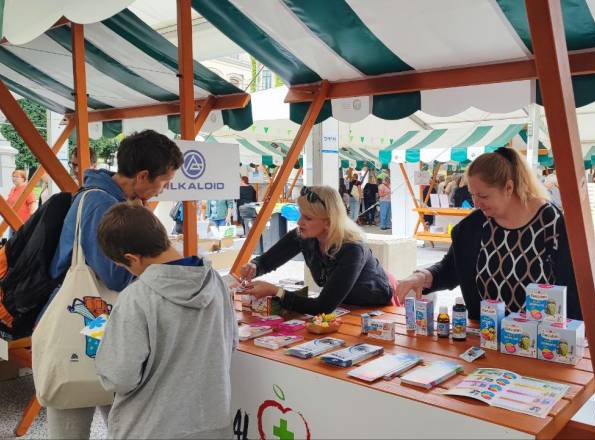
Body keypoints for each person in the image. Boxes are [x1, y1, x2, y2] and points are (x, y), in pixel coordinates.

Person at [47, 130, 182, 439]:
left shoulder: (107, 198)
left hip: (98, 326)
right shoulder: (103, 205)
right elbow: (117, 275)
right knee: (78, 428)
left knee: (125, 425)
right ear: (143, 175)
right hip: (88, 325)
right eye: (165, 181)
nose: (164, 189)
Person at [95, 202, 236, 439]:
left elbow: (119, 378)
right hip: (211, 423)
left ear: (132, 258)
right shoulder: (215, 282)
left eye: (123, 266)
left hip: (150, 426)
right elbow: (230, 343)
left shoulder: (136, 297)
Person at [395, 148, 581, 321]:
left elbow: (574, 289)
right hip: (486, 335)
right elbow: (451, 268)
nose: (476, 203)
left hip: (540, 341)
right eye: (472, 195)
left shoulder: (550, 222)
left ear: (509, 188)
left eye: (483, 196)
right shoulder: (473, 226)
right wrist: (421, 276)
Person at [239, 185, 393, 315]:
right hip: (342, 308)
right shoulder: (303, 235)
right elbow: (267, 261)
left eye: (308, 218)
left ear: (329, 222)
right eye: (300, 215)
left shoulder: (352, 249)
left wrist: (275, 291)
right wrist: (254, 267)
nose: (299, 222)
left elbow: (322, 307)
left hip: (375, 311)